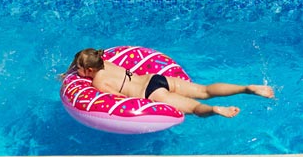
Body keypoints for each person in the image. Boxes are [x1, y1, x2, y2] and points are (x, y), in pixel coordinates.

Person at [65, 48, 274, 118]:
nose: (78, 73)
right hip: (156, 78)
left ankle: (216, 110)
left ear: (89, 71)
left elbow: (118, 102)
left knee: (194, 107)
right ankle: (246, 88)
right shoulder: (107, 61)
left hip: (152, 94)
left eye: (80, 69)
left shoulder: (99, 82)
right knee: (203, 90)